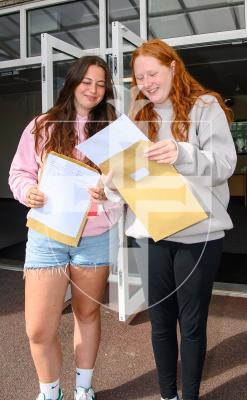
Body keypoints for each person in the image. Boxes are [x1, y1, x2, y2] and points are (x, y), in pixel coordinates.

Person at [125, 39, 237, 400]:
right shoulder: (138, 115)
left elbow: (224, 164)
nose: (147, 82)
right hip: (151, 231)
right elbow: (128, 173)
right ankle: (166, 395)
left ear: (173, 67)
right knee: (159, 323)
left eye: (153, 73)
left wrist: (182, 153)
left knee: (190, 324)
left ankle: (188, 395)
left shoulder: (206, 106)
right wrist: (109, 184)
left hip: (197, 233)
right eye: (140, 76)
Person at [9, 55, 123, 400]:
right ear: (72, 82)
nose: (93, 89)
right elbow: (20, 173)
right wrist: (26, 191)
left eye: (101, 84)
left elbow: (128, 187)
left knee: (87, 314)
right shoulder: (42, 125)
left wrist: (109, 193)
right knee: (39, 328)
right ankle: (51, 392)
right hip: (48, 236)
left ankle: (84, 388)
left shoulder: (112, 130)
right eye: (87, 81)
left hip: (94, 238)